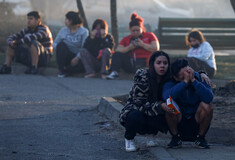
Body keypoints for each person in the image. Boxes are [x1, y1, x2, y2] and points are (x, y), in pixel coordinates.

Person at [119, 51, 172, 152]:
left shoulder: (168, 77)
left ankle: (151, 134)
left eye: (165, 63)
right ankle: (129, 139)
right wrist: (160, 105)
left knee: (167, 112)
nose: (162, 66)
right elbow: (139, 102)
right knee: (135, 116)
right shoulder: (143, 76)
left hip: (155, 110)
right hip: (136, 108)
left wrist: (201, 74)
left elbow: (183, 70)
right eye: (159, 63)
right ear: (152, 64)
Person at [162, 58, 213, 149]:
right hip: (180, 118)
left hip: (196, 118)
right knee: (168, 105)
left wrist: (194, 81)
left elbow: (209, 98)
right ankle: (175, 138)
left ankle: (201, 138)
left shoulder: (201, 78)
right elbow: (166, 97)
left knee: (207, 106)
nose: (187, 77)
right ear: (176, 77)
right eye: (183, 77)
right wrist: (184, 83)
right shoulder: (170, 81)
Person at [106, 12, 160, 79]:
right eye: (133, 31)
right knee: (116, 55)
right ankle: (114, 72)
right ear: (130, 30)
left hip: (146, 61)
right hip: (131, 62)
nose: (135, 33)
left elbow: (156, 48)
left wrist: (142, 44)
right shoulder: (126, 39)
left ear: (142, 28)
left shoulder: (150, 35)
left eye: (137, 30)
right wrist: (130, 47)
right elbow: (118, 50)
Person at [53, 11, 89, 77]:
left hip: (77, 57)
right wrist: (59, 48)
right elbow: (55, 43)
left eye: (67, 19)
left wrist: (77, 57)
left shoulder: (84, 31)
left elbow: (84, 47)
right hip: (65, 55)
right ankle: (62, 70)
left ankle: (67, 69)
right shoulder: (63, 30)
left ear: (72, 20)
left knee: (82, 67)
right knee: (61, 45)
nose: (65, 21)